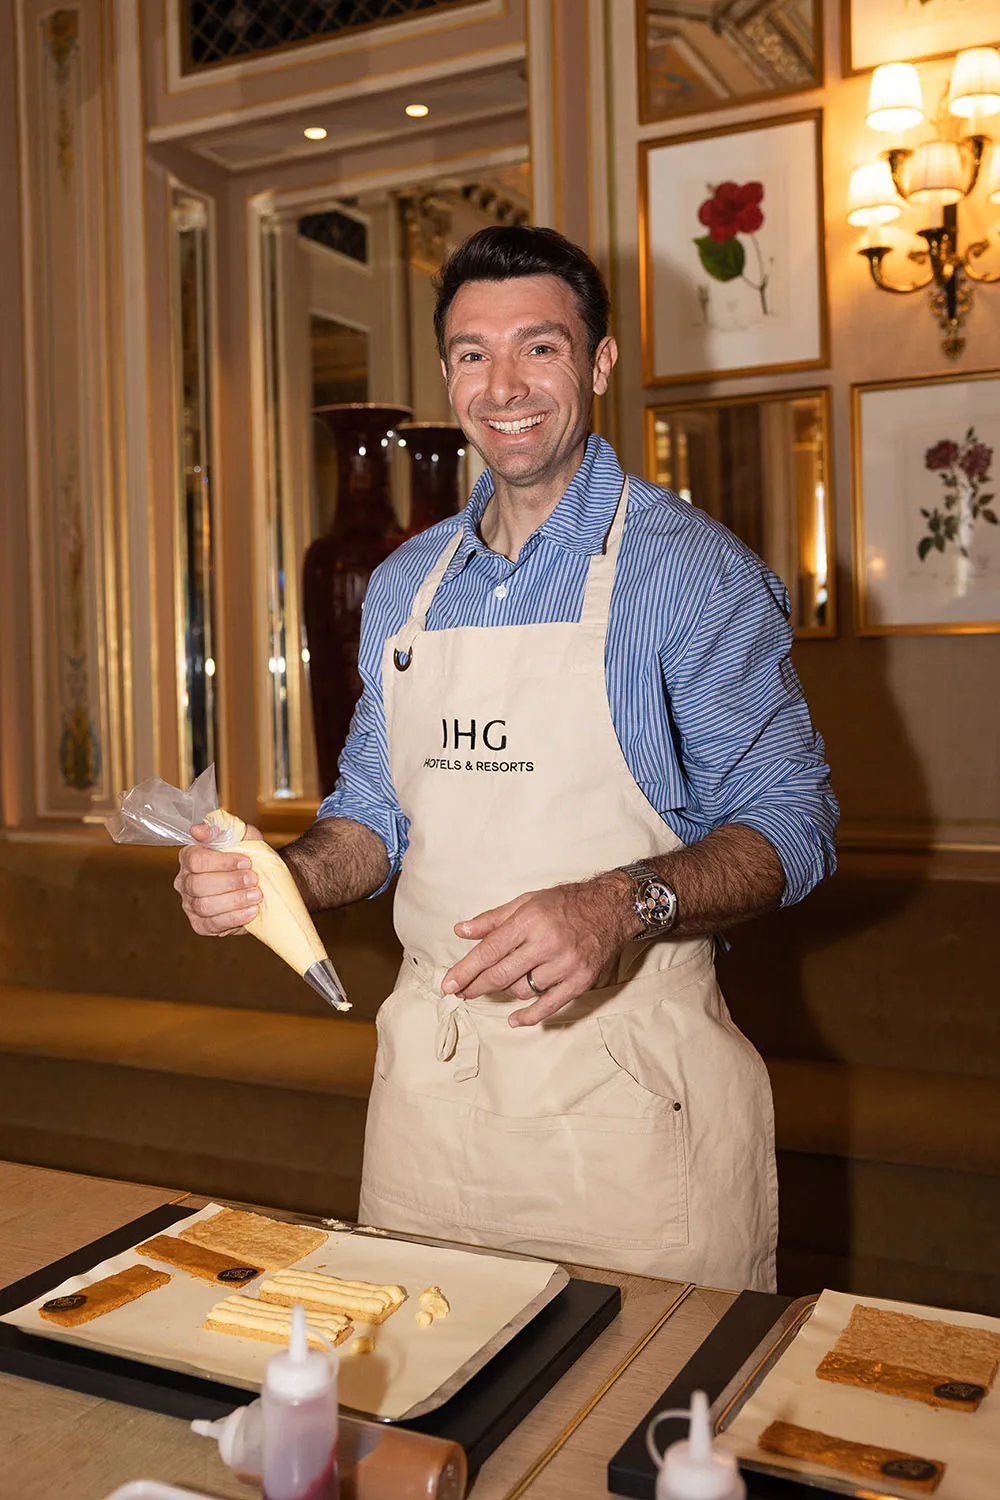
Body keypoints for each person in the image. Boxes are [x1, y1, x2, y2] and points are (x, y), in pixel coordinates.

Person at [175, 226, 837, 1292]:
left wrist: (616, 905)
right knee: (424, 1423)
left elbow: (791, 832)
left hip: (629, 1110)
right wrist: (280, 878)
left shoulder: (692, 575)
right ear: (446, 374)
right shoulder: (404, 585)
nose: (505, 384)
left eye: (540, 346)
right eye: (473, 353)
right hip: (430, 1112)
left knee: (631, 1440)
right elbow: (370, 820)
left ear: (599, 362)